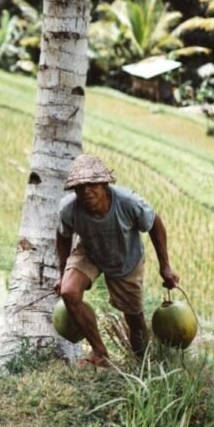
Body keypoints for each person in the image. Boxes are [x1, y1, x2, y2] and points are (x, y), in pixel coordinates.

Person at [54, 154, 180, 367]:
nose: (86, 191)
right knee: (69, 292)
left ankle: (142, 364)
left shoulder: (128, 202)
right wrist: (62, 274)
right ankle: (100, 352)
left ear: (104, 184)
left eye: (92, 185)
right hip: (90, 250)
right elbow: (63, 235)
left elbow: (155, 223)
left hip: (125, 257)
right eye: (80, 187)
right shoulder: (68, 208)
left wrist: (165, 266)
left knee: (134, 318)